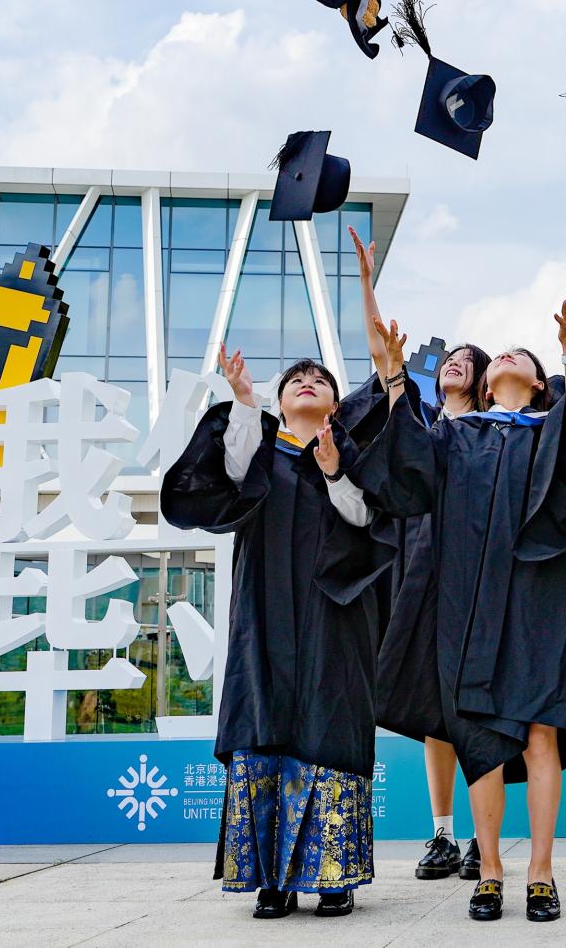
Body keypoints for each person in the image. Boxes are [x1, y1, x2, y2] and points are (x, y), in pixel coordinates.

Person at [356, 294, 566, 924]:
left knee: (541, 731)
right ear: (487, 383)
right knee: (480, 736)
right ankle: (490, 868)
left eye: (523, 355)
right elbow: (407, 461)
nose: (509, 357)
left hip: (541, 600)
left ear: (538, 382)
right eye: (502, 355)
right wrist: (394, 376)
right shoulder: (453, 435)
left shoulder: (548, 429)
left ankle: (541, 871)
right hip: (467, 600)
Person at [160, 349, 391, 920]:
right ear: (280, 400)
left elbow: (368, 521)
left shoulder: (353, 455)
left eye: (319, 379)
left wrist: (334, 470)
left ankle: (332, 873)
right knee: (265, 720)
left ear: (335, 403)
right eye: (296, 380)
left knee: (329, 720)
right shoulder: (261, 449)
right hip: (264, 613)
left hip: (334, 614)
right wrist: (243, 401)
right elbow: (232, 474)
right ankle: (273, 879)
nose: (308, 383)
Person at [342, 226, 488, 883]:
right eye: (448, 358)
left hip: (475, 577)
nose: (453, 362)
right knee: (433, 710)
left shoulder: (494, 433)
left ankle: (484, 838)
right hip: (421, 571)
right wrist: (366, 281)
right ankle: (443, 834)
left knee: (476, 708)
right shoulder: (419, 421)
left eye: (466, 360)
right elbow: (383, 353)